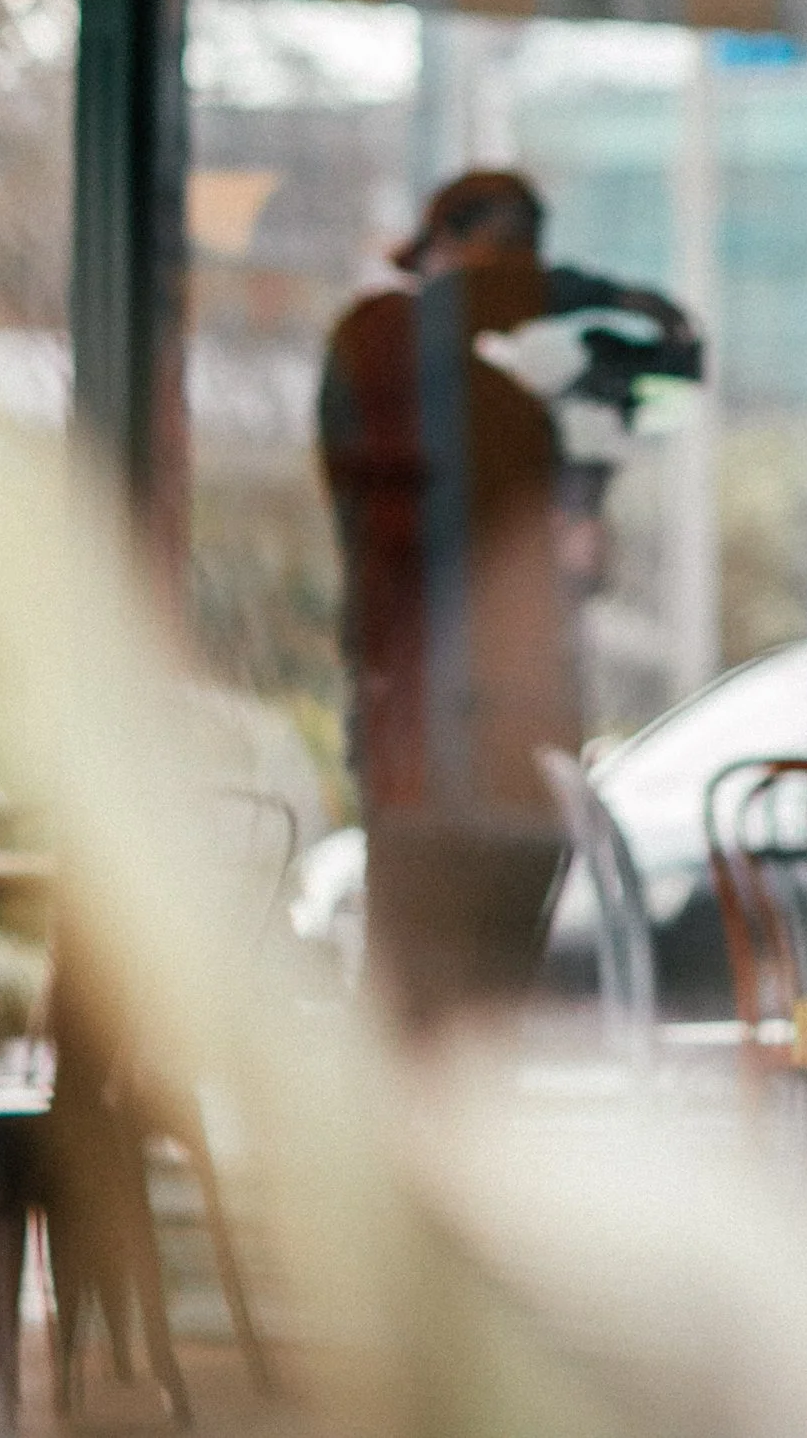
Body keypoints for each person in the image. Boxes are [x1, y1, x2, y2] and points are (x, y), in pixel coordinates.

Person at [316, 166, 704, 1031]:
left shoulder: (511, 403)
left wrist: (588, 478)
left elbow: (562, 564)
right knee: (419, 1012)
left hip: (515, 748)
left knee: (486, 1015)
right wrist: (590, 295)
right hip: (423, 740)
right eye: (511, 261)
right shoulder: (378, 339)